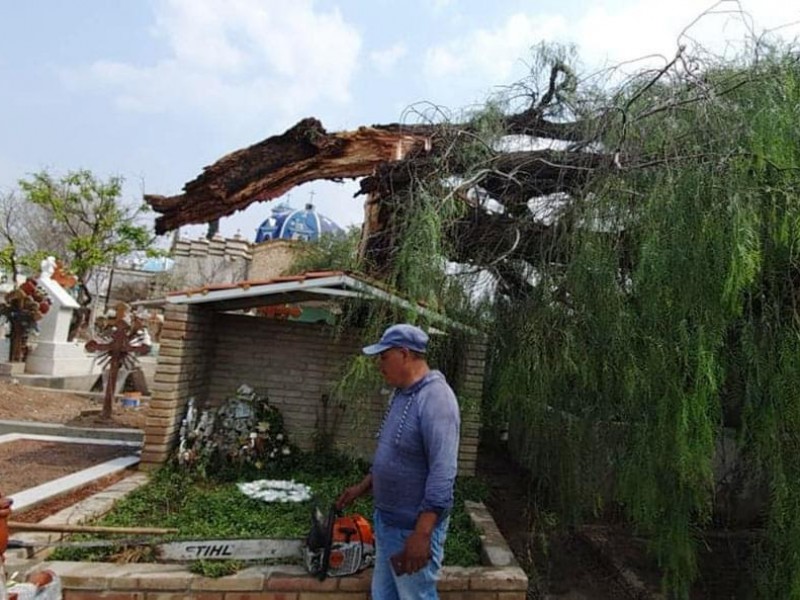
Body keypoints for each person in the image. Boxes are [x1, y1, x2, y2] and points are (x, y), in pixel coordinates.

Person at [336, 323, 461, 600]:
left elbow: (444, 471)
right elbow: (393, 453)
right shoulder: (401, 394)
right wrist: (363, 486)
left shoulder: (436, 398)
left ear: (404, 354)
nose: (379, 364)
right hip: (388, 522)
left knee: (416, 596)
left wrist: (422, 534)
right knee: (383, 595)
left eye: (384, 356)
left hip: (411, 528)